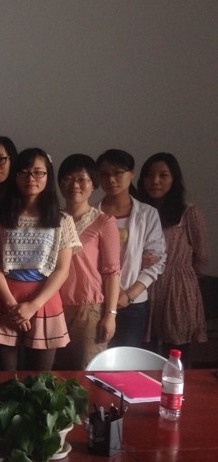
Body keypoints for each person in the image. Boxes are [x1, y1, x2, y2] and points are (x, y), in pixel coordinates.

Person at [0, 148, 80, 371]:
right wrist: (11, 305)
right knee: (3, 377)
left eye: (38, 172)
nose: (31, 178)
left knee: (40, 378)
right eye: (24, 172)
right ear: (15, 176)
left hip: (44, 300)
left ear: (48, 176)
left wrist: (33, 306)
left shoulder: (62, 220)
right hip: (5, 298)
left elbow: (62, 269)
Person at [138, 153, 208, 368]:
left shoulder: (189, 212)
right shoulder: (138, 211)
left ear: (174, 179)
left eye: (163, 175)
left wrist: (184, 277)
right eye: (149, 175)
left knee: (177, 353)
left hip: (178, 287)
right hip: (145, 284)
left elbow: (202, 255)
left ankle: (177, 388)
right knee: (145, 352)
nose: (155, 181)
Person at [54, 154, 121, 370]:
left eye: (82, 179)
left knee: (86, 370)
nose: (75, 185)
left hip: (88, 310)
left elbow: (112, 273)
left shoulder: (104, 222)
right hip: (53, 305)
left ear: (93, 185)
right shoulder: (52, 219)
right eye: (68, 179)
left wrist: (110, 315)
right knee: (55, 372)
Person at [96, 149, 166, 348]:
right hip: (98, 300)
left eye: (118, 173)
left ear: (131, 174)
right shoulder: (92, 214)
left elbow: (157, 260)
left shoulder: (147, 214)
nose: (111, 179)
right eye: (105, 174)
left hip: (133, 303)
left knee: (126, 359)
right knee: (94, 358)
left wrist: (129, 295)